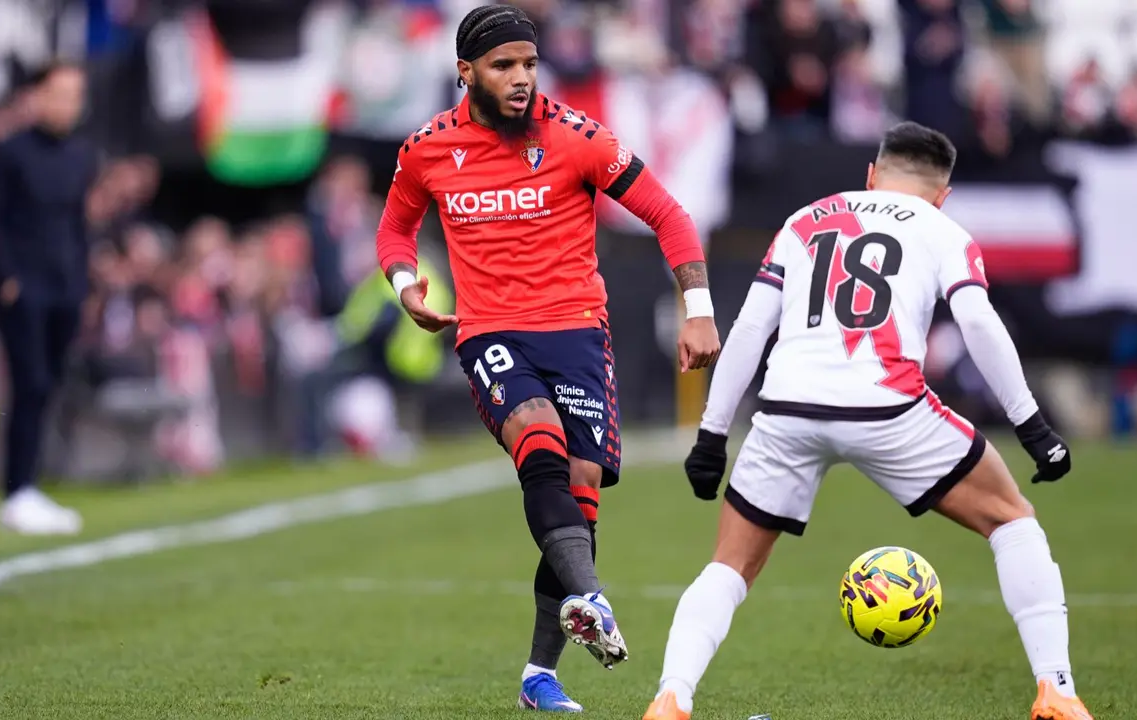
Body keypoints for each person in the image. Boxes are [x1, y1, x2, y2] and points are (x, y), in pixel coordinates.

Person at [642, 122, 1092, 720]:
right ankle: (1056, 692)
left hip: (786, 410)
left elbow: (750, 329)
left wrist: (711, 434)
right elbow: (979, 325)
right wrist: (1031, 425)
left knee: (729, 566)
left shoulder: (804, 220)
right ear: (942, 193)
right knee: (1014, 521)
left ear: (871, 176)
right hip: (888, 407)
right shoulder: (943, 229)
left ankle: (671, 697)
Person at [375, 5, 721, 713]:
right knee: (537, 437)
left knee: (580, 495)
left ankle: (539, 675)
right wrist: (406, 285)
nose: (521, 79)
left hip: (577, 334)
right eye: (504, 66)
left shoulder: (578, 137)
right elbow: (395, 228)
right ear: (465, 72)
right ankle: (591, 600)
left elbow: (668, 214)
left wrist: (698, 311)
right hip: (490, 331)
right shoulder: (427, 149)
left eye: (529, 64)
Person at [0, 62, 97, 536]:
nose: (68, 103)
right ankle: (17, 489)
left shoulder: (82, 155)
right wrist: (7, 277)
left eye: (76, 94)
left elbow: (78, 225)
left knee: (47, 384)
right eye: (60, 93)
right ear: (38, 96)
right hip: (24, 286)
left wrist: (84, 283)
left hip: (65, 285)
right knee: (29, 383)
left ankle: (30, 483)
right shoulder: (9, 152)